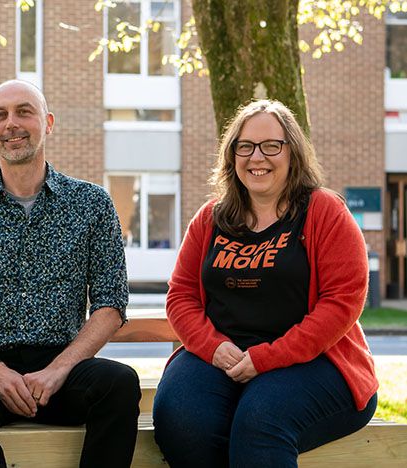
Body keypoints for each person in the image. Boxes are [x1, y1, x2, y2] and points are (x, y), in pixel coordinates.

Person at [152, 99, 378, 467]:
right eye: (246, 146)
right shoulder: (209, 219)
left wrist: (266, 359)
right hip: (221, 357)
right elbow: (181, 297)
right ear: (232, 155)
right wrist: (213, 347)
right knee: (182, 418)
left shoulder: (325, 212)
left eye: (271, 145)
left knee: (261, 420)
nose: (257, 157)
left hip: (316, 361)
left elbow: (342, 303)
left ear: (293, 153)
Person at [0, 79, 141, 468]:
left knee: (120, 385)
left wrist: (59, 370)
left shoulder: (92, 204)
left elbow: (111, 304)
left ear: (48, 122)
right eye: (0, 115)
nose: (11, 123)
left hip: (64, 369)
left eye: (24, 111)